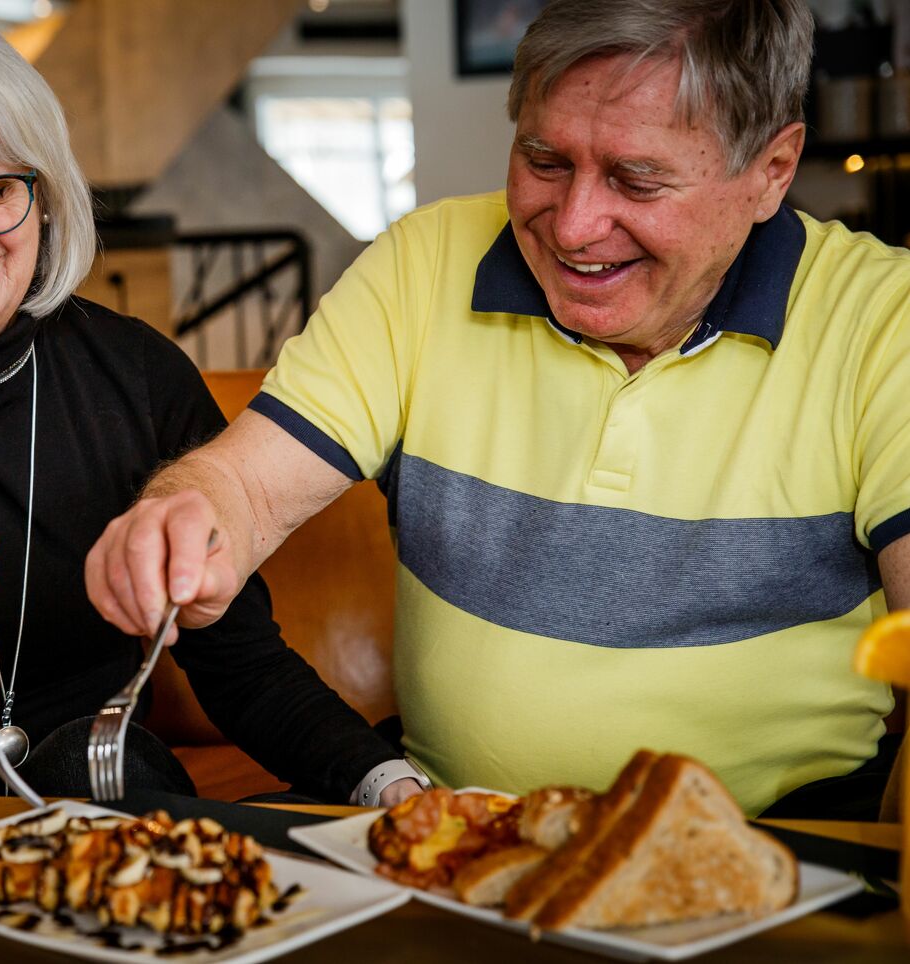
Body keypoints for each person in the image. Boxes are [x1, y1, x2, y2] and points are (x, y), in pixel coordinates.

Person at [86, 0, 910, 820]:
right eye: (544, 161)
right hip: (455, 838)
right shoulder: (423, 263)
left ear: (771, 168)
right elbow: (246, 490)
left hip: (786, 856)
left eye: (636, 179)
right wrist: (179, 520)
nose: (576, 227)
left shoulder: (884, 321)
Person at [0, 6, 410, 802]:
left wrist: (386, 785)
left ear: (45, 196)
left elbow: (240, 664)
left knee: (96, 769)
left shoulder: (141, 376)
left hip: (94, 802)